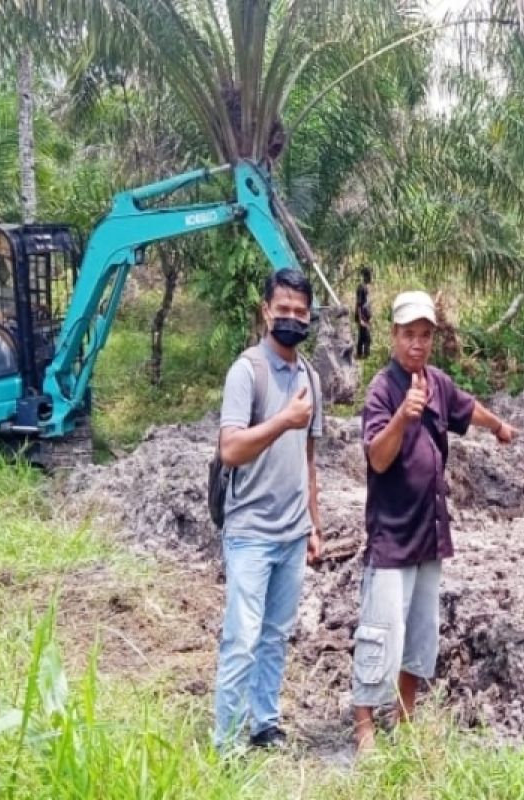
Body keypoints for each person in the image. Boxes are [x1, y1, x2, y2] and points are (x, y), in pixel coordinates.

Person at [351, 289, 517, 753]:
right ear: (393, 336)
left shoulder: (437, 382)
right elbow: (378, 459)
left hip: (430, 531)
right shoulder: (383, 390)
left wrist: (498, 426)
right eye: (409, 335)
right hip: (392, 533)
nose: (417, 344)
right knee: (380, 630)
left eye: (425, 335)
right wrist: (403, 418)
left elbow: (467, 409)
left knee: (419, 635)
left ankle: (404, 720)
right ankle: (364, 727)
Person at [212, 268, 324, 754]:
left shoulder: (310, 378)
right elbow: (231, 449)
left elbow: (309, 460)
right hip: (251, 532)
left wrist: (314, 526)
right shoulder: (247, 372)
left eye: (301, 312)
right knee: (242, 637)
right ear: (266, 310)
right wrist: (283, 419)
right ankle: (227, 741)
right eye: (284, 310)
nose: (292, 319)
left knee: (276, 635)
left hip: (292, 532)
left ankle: (266, 723)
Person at [355, 267, 373, 360]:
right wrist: (361, 319)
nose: (371, 278)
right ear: (365, 276)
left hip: (365, 317)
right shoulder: (361, 287)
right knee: (367, 338)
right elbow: (359, 304)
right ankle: (365, 356)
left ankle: (359, 355)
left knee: (362, 337)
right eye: (370, 276)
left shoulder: (365, 287)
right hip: (362, 317)